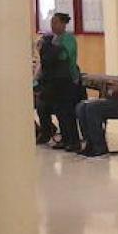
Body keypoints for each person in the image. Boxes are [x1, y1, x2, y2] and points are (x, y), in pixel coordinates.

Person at [36, 11, 83, 151]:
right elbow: (46, 58)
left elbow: (64, 56)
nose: (53, 25)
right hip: (53, 81)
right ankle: (64, 137)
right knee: (58, 110)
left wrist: (50, 50)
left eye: (56, 22)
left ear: (63, 24)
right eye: (52, 22)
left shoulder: (68, 38)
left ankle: (73, 141)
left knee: (67, 110)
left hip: (66, 79)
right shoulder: (50, 39)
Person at [76, 78, 118, 157]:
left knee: (92, 107)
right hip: (117, 98)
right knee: (81, 106)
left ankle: (100, 147)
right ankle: (90, 143)